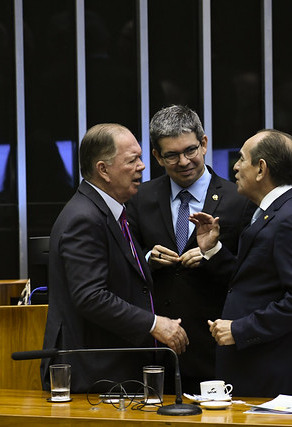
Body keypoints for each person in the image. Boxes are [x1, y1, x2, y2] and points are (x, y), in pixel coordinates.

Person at [40, 123, 189, 393]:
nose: (142, 166)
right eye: (132, 160)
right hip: (93, 374)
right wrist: (153, 323)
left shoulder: (111, 211)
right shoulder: (84, 218)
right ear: (103, 170)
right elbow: (90, 296)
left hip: (111, 370)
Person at [126, 105, 255, 393]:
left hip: (215, 346)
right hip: (156, 349)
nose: (184, 162)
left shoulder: (240, 200)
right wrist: (148, 259)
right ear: (157, 156)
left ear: (204, 143)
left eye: (190, 150)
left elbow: (250, 276)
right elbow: (125, 264)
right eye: (172, 155)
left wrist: (214, 254)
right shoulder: (140, 198)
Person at [190, 129, 292, 398]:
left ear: (261, 169)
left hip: (273, 372)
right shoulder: (271, 212)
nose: (235, 167)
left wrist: (240, 329)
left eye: (241, 159)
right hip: (255, 365)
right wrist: (213, 249)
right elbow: (254, 279)